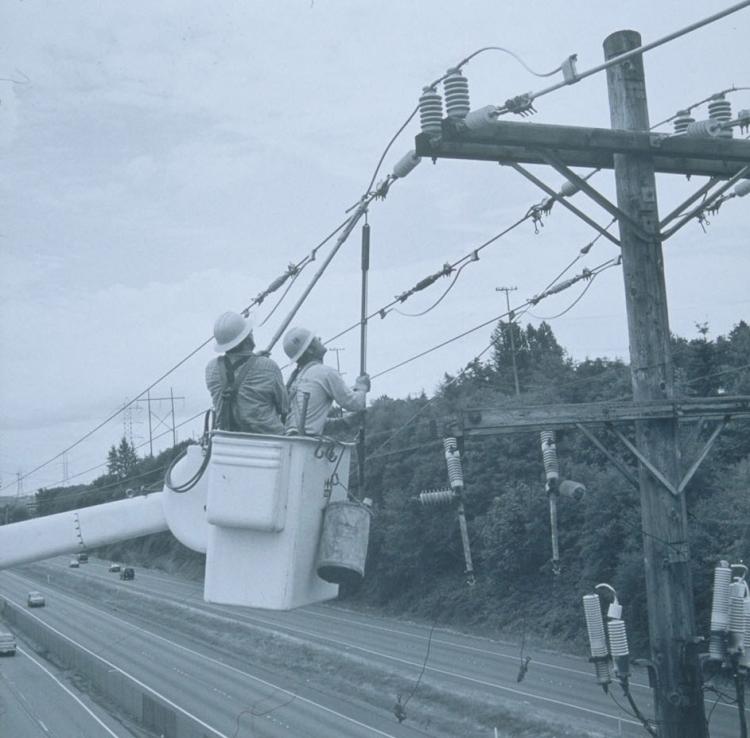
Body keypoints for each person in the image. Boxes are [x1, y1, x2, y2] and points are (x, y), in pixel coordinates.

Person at [205, 311, 288, 434]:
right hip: (268, 440)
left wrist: (255, 360)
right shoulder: (268, 366)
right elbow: (284, 407)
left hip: (226, 439)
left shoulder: (211, 368)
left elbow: (234, 375)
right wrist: (260, 362)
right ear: (247, 339)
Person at [283, 326, 370, 436]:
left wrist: (344, 422)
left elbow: (308, 422)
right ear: (310, 350)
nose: (319, 339)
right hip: (306, 445)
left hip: (291, 441)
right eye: (315, 339)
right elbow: (355, 403)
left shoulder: (295, 380)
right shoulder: (325, 372)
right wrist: (362, 387)